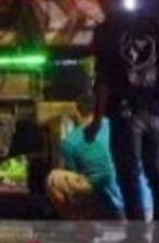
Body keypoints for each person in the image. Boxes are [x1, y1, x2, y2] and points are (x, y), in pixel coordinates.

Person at [87, 0, 159, 222]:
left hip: (126, 114)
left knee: (129, 173)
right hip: (155, 108)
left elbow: (104, 79)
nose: (99, 4)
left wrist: (96, 120)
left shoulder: (105, 31)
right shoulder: (152, 25)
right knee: (157, 174)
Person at [47, 92, 151, 220]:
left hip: (113, 210)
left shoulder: (71, 141)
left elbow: (75, 184)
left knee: (54, 179)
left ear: (77, 112)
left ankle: (81, 229)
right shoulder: (121, 127)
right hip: (145, 207)